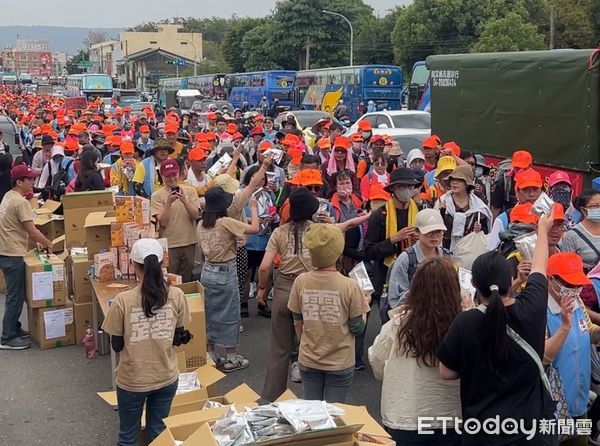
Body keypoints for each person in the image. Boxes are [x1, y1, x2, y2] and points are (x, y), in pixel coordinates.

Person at [438, 209, 557, 445]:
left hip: (483, 434)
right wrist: (542, 231)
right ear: (510, 279)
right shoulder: (531, 307)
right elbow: (539, 267)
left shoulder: (466, 321)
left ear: (473, 284)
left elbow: (446, 372)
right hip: (531, 433)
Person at [101, 238, 191, 446]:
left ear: (133, 266)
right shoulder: (177, 295)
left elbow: (116, 345)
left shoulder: (123, 300)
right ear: (161, 264)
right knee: (158, 432)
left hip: (132, 380)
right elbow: (179, 335)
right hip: (166, 376)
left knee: (128, 435)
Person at [369, 257, 462, 445]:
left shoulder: (397, 325)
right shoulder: (463, 325)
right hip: (452, 418)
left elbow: (377, 362)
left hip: (404, 417)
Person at [288, 224, 369, 402]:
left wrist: (305, 343)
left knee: (311, 410)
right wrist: (366, 304)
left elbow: (297, 320)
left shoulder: (301, 281)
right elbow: (357, 328)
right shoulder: (349, 285)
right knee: (334, 412)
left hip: (309, 358)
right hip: (339, 361)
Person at [196, 187, 259, 372]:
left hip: (207, 270)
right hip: (225, 270)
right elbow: (254, 228)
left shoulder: (201, 225)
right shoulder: (225, 222)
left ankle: (211, 354)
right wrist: (253, 208)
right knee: (230, 313)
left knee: (209, 313)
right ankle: (231, 357)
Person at [544, 252, 596, 442]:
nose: (574, 289)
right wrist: (565, 325)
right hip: (553, 411)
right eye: (568, 284)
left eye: (578, 285)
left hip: (580, 404)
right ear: (551, 279)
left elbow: (588, 330)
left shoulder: (577, 303)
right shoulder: (539, 310)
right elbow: (543, 357)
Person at [0, 164, 53, 350]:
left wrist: (36, 241)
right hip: (12, 253)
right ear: (19, 181)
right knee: (15, 296)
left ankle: (14, 328)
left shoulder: (9, 196)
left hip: (6, 250)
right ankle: (7, 337)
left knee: (15, 293)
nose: (32, 181)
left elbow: (19, 226)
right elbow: (31, 229)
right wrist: (48, 242)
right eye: (29, 179)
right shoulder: (20, 202)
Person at [363, 167, 422, 321]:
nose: (408, 190)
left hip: (413, 273)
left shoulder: (420, 211)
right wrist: (393, 239)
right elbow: (369, 251)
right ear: (394, 189)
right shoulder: (380, 215)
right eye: (403, 186)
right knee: (388, 320)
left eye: (410, 186)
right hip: (386, 274)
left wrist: (420, 239)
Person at [387, 208, 451, 308]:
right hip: (415, 316)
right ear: (417, 232)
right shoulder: (406, 259)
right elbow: (395, 300)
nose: (434, 236)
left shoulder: (447, 256)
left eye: (438, 231)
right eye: (429, 232)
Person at [151, 159, 201, 283]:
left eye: (174, 174)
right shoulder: (157, 196)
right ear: (162, 176)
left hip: (189, 242)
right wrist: (168, 204)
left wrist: (185, 201)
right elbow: (163, 223)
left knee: (186, 280)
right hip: (169, 245)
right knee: (169, 281)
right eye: (168, 176)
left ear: (179, 173)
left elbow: (195, 215)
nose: (172, 178)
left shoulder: (190, 191)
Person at [437, 164, 492, 251]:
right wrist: (441, 211)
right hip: (444, 249)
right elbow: (435, 227)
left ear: (467, 184)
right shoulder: (442, 201)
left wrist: (479, 229)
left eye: (459, 180)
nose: (454, 182)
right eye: (453, 179)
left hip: (469, 250)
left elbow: (486, 231)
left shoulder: (478, 206)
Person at [487, 167, 543, 250]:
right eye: (526, 190)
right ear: (517, 192)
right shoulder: (504, 219)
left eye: (535, 189)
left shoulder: (548, 217)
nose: (531, 194)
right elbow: (492, 251)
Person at [559, 189, 600, 272]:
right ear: (583, 210)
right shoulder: (572, 236)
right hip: (587, 283)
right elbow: (567, 268)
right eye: (595, 206)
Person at [491, 149, 533, 219]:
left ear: (530, 165)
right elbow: (495, 208)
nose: (519, 170)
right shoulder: (504, 182)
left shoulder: (536, 180)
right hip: (509, 219)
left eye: (522, 167)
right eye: (517, 167)